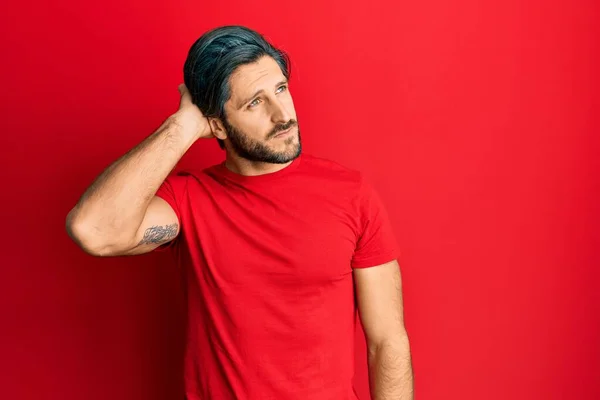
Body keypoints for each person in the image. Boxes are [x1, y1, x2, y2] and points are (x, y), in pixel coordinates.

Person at [66, 25, 414, 400]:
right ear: (216, 125)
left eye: (281, 89)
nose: (282, 114)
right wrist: (181, 126)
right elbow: (95, 231)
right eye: (255, 102)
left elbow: (387, 342)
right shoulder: (187, 201)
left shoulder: (351, 194)